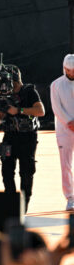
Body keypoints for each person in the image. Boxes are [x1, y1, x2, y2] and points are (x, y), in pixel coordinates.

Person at [0, 66, 45, 212]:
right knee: (7, 171)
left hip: (27, 137)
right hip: (10, 136)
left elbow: (41, 111)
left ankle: (23, 205)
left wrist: (19, 111)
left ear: (15, 81)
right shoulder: (4, 94)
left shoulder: (29, 91)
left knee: (26, 173)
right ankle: (10, 202)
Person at [50, 54, 74, 211]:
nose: (71, 73)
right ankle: (70, 197)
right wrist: (69, 122)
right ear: (64, 68)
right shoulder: (56, 85)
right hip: (64, 130)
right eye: (69, 70)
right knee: (65, 164)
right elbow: (56, 107)